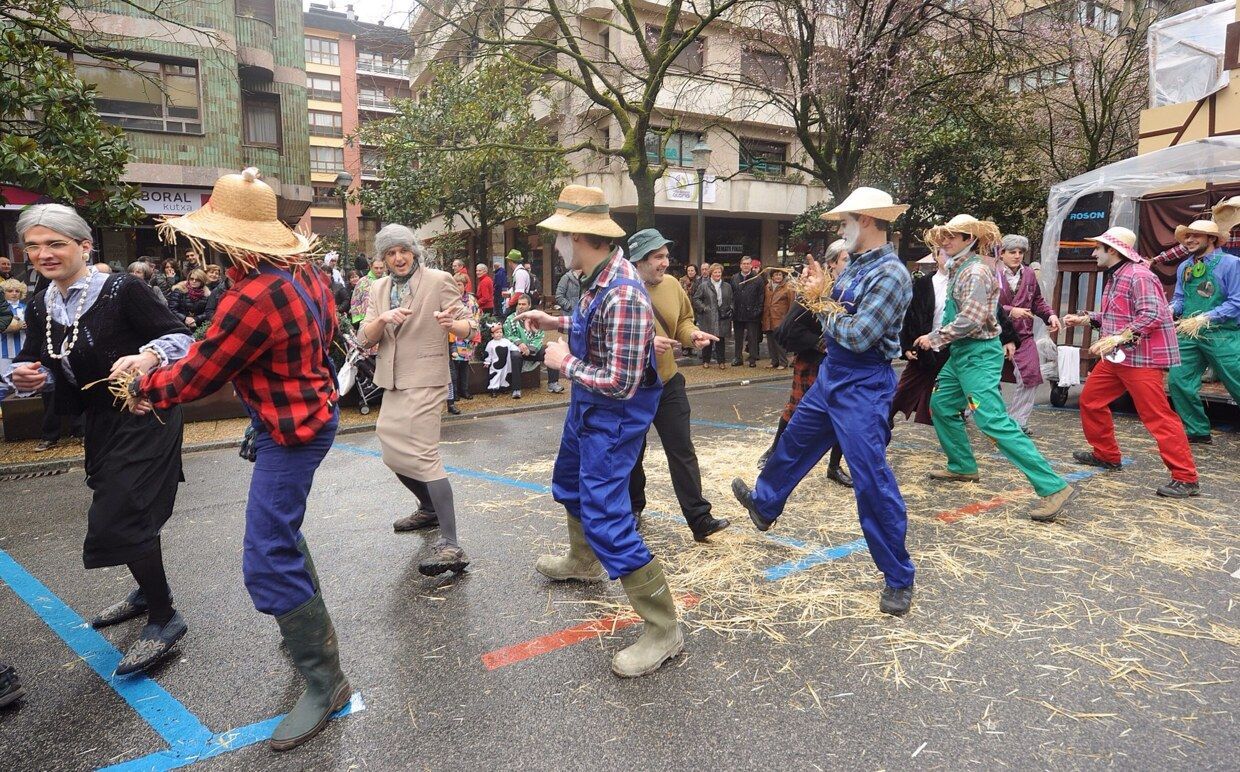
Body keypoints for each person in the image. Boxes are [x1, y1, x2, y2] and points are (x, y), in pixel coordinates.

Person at [128, 169, 349, 752]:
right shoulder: (301, 272)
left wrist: (143, 385)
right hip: (304, 415)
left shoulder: (252, 295)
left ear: (224, 239)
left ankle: (325, 682)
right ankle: (312, 645)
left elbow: (200, 374)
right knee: (281, 535)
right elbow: (319, 340)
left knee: (266, 557)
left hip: (293, 431)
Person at [11, 204, 192, 675]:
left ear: (84, 246)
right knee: (118, 500)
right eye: (34, 246)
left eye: (55, 244)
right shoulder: (38, 305)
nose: (43, 254)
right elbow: (46, 364)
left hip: (145, 409)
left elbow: (182, 338)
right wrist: (29, 378)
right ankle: (144, 589)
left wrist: (148, 357)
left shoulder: (122, 289)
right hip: (100, 419)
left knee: (122, 508)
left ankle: (164, 616)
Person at [517, 185, 683, 678]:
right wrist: (556, 320)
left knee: (609, 516)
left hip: (612, 416)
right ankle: (584, 561)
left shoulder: (624, 290)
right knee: (569, 484)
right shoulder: (598, 276)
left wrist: (565, 361)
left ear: (579, 236)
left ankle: (663, 629)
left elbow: (622, 381)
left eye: (562, 236)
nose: (558, 244)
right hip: (589, 410)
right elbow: (599, 326)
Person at [731, 187, 916, 615]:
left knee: (870, 478)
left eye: (845, 221)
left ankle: (898, 576)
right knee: (793, 440)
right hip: (834, 373)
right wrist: (821, 294)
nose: (841, 228)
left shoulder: (891, 274)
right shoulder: (854, 267)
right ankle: (765, 503)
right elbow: (836, 322)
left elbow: (857, 334)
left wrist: (819, 300)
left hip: (864, 383)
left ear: (867, 220)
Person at [915, 214, 1074, 523]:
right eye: (944, 235)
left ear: (969, 240)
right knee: (943, 404)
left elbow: (972, 320)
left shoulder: (974, 272)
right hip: (962, 354)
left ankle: (1052, 486)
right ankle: (962, 465)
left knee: (992, 421)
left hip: (977, 355)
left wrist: (934, 338)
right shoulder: (960, 268)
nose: (946, 240)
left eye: (954, 235)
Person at [357, 224, 478, 575]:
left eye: (403, 251)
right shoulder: (377, 288)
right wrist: (382, 318)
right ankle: (427, 508)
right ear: (383, 258)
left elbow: (470, 325)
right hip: (392, 379)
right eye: (390, 253)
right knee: (391, 450)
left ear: (414, 252)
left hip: (426, 378)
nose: (398, 258)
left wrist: (451, 326)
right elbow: (366, 337)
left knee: (424, 455)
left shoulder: (438, 280)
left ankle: (452, 545)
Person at [1062, 227, 1199, 498]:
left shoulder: (1139, 275)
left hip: (1142, 359)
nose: (1093, 253)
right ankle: (1107, 455)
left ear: (1112, 250)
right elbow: (1119, 315)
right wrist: (1088, 318)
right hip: (1120, 356)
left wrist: (1116, 339)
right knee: (1090, 400)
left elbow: (1153, 315)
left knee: (1157, 416)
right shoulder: (1119, 274)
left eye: (1097, 248)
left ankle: (1186, 477)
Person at [625, 229, 729, 541]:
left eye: (666, 256)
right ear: (641, 260)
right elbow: (608, 337)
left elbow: (684, 320)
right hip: (633, 388)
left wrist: (691, 335)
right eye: (658, 257)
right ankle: (633, 507)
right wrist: (644, 345)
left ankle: (700, 518)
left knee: (682, 449)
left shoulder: (671, 285)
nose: (665, 263)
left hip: (668, 383)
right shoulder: (621, 290)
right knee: (633, 452)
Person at [757, 240, 851, 487]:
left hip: (840, 365)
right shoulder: (812, 293)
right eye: (845, 260)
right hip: (813, 361)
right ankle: (775, 451)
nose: (850, 264)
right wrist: (821, 344)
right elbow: (786, 330)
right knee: (795, 408)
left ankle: (833, 467)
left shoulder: (852, 290)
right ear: (831, 264)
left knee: (842, 414)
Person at [1165, 220, 1240, 444]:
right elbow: (1180, 298)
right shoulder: (1184, 267)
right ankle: (1196, 430)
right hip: (1189, 333)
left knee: (1237, 380)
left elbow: (1237, 301)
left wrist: (1207, 316)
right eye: (1187, 236)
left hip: (1221, 333)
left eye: (1196, 235)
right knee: (1178, 381)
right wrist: (1170, 309)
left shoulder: (1231, 263)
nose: (1189, 240)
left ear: (1212, 239)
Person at [996, 234, 1060, 434]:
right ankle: (974, 413)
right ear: (1002, 253)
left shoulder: (1030, 274)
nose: (1017, 256)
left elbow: (1037, 301)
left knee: (1030, 377)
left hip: (1023, 335)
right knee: (985, 381)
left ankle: (1017, 422)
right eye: (1012, 252)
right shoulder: (990, 273)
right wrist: (1009, 310)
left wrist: (1050, 316)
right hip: (993, 336)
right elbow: (983, 304)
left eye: (1020, 252)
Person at [504, 294, 565, 394]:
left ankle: (553, 383)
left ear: (529, 305)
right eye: (519, 304)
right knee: (515, 356)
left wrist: (531, 349)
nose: (521, 306)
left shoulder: (535, 318)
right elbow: (508, 335)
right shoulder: (511, 319)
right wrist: (520, 344)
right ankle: (516, 389)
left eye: (523, 304)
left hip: (532, 349)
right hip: (517, 349)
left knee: (550, 350)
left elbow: (539, 335)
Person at [447, 272, 481, 413]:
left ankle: (464, 390)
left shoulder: (471, 301)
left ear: (465, 285)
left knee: (465, 365)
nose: (457, 287)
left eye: (460, 284)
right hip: (453, 338)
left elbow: (476, 318)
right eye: (455, 284)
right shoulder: (449, 299)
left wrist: (475, 335)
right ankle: (453, 394)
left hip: (466, 337)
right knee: (453, 367)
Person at [692, 263, 731, 368]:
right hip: (708, 317)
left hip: (722, 317)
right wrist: (704, 308)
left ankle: (721, 362)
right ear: (711, 273)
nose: (718, 274)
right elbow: (696, 299)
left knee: (720, 340)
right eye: (715, 272)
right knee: (707, 340)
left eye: (719, 272)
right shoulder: (704, 285)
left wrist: (730, 310)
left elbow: (732, 300)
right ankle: (706, 361)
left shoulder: (727, 286)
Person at [730, 255, 764, 367]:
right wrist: (732, 308)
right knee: (738, 338)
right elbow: (731, 295)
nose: (746, 266)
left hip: (752, 313)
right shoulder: (734, 277)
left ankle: (752, 359)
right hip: (738, 312)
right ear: (740, 265)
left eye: (748, 264)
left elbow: (761, 296)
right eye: (744, 264)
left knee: (752, 337)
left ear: (751, 265)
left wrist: (757, 311)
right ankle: (738, 358)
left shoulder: (758, 278)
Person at [0, 279, 27, 400]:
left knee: (23, 381)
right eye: (10, 291)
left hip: (23, 349)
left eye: (17, 291)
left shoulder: (26, 308)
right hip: (3, 351)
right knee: (4, 382)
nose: (14, 293)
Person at [762, 268, 794, 368]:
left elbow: (792, 303)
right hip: (768, 317)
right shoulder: (767, 287)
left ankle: (783, 362)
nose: (778, 277)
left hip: (780, 318)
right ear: (772, 277)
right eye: (776, 275)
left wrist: (789, 318)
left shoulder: (788, 287)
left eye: (780, 275)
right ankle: (774, 361)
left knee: (779, 342)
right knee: (770, 342)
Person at [483, 322, 520, 396]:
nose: (499, 334)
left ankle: (503, 387)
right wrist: (487, 362)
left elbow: (512, 346)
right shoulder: (491, 343)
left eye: (500, 332)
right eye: (497, 332)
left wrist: (518, 349)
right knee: (495, 375)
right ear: (492, 335)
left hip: (505, 363)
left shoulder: (506, 341)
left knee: (504, 375)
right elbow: (488, 353)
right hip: (495, 363)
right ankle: (493, 389)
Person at [350, 258, 385, 327]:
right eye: (376, 268)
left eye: (381, 268)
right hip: (367, 320)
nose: (379, 270)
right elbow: (355, 301)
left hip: (385, 318)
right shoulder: (363, 281)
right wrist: (358, 320)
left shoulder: (388, 280)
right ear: (370, 267)